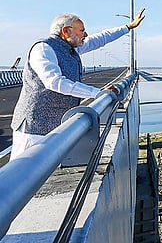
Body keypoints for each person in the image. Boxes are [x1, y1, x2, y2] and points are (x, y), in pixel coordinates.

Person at [10, 8, 146, 160]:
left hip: (56, 125)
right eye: (81, 30)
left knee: (45, 173)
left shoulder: (70, 49)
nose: (85, 34)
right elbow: (54, 82)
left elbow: (100, 39)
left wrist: (129, 27)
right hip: (34, 126)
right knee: (21, 172)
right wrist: (97, 93)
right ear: (66, 31)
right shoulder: (44, 48)